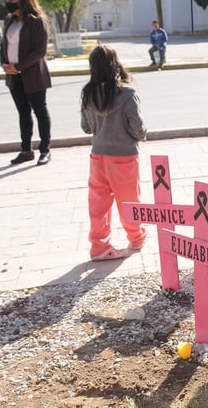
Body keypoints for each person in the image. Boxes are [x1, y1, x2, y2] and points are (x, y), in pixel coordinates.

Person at [80, 45, 148, 261]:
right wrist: (140, 135)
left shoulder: (87, 93)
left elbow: (86, 128)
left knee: (98, 204)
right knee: (129, 200)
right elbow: (137, 127)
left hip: (97, 156)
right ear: (114, 64)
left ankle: (99, 246)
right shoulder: (127, 93)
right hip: (124, 155)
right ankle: (136, 238)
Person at [0, 0, 53, 166]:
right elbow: (4, 45)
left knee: (40, 111)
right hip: (13, 76)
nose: (9, 2)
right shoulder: (9, 20)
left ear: (23, 0)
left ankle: (45, 150)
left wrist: (19, 66)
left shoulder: (37, 21)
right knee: (23, 113)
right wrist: (5, 65)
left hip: (33, 74)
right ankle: (26, 150)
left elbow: (40, 51)